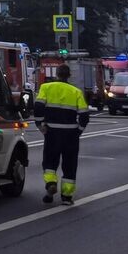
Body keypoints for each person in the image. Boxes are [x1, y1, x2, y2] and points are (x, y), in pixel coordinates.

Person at [33, 63, 89, 206]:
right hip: (71, 134)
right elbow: (84, 116)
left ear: (56, 74)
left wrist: (40, 124)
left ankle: (51, 184)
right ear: (69, 75)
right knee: (69, 165)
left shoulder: (46, 88)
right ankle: (67, 197)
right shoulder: (76, 92)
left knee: (50, 161)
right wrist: (78, 131)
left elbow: (38, 107)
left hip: (52, 132)